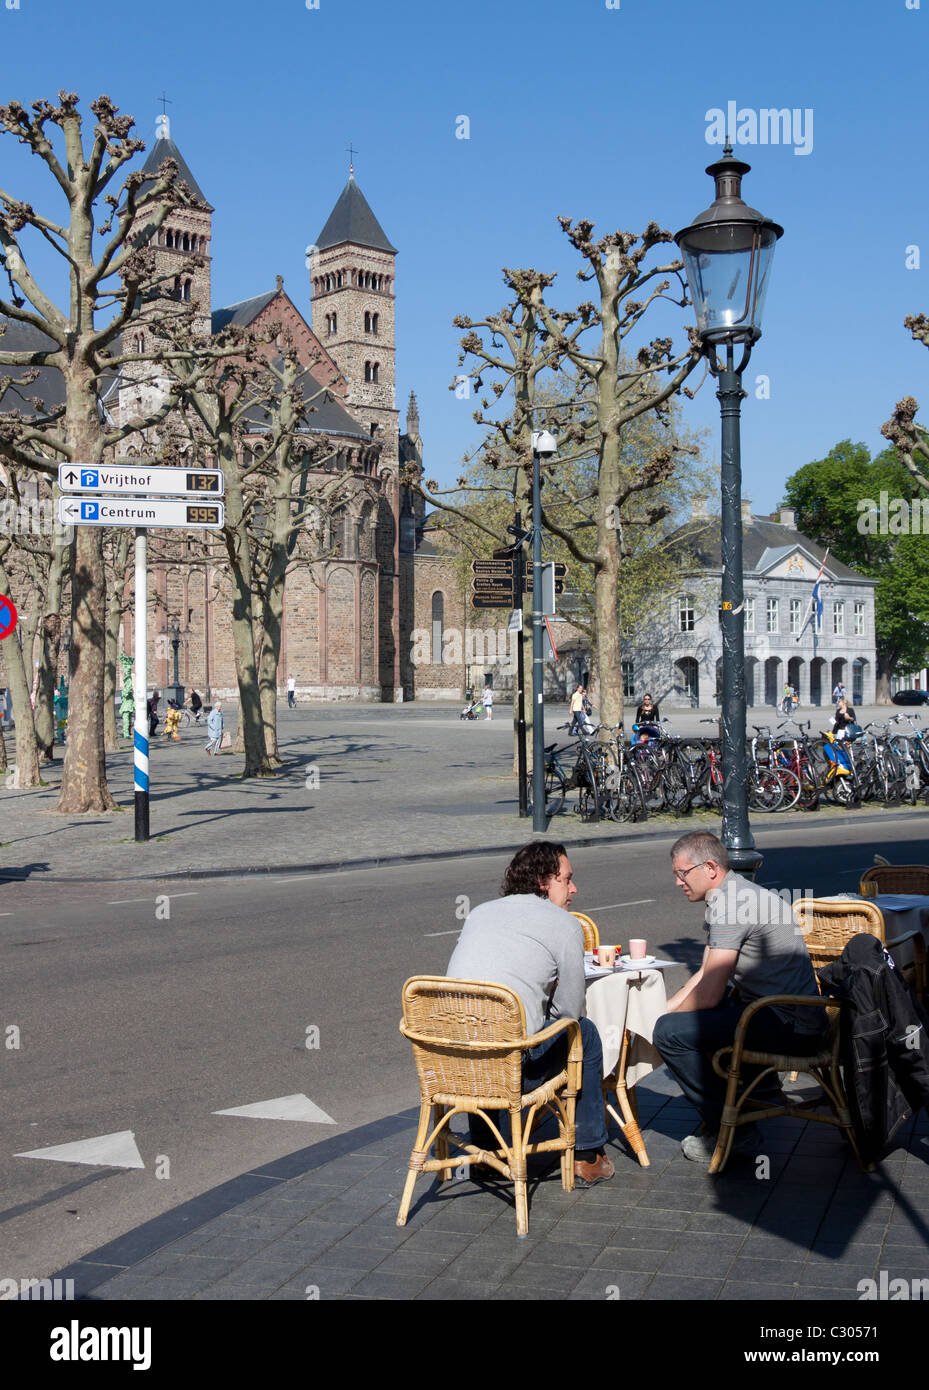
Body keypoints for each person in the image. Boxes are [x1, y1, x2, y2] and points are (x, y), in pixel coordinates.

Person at [652, 831, 826, 1166]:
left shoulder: (731, 905)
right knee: (677, 1022)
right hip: (787, 1014)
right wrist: (664, 1009)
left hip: (791, 1024)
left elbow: (708, 994)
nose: (678, 882)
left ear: (711, 868)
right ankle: (756, 1096)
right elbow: (704, 972)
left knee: (669, 1034)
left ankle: (732, 1130)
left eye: (682, 873)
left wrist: (660, 1022)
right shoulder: (733, 895)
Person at [446, 841, 613, 1185]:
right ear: (542, 881)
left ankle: (487, 1149)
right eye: (567, 880)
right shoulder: (564, 924)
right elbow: (569, 1011)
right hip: (510, 1068)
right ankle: (587, 1154)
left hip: (450, 1061)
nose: (573, 889)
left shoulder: (480, 912)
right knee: (586, 1034)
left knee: (484, 1031)